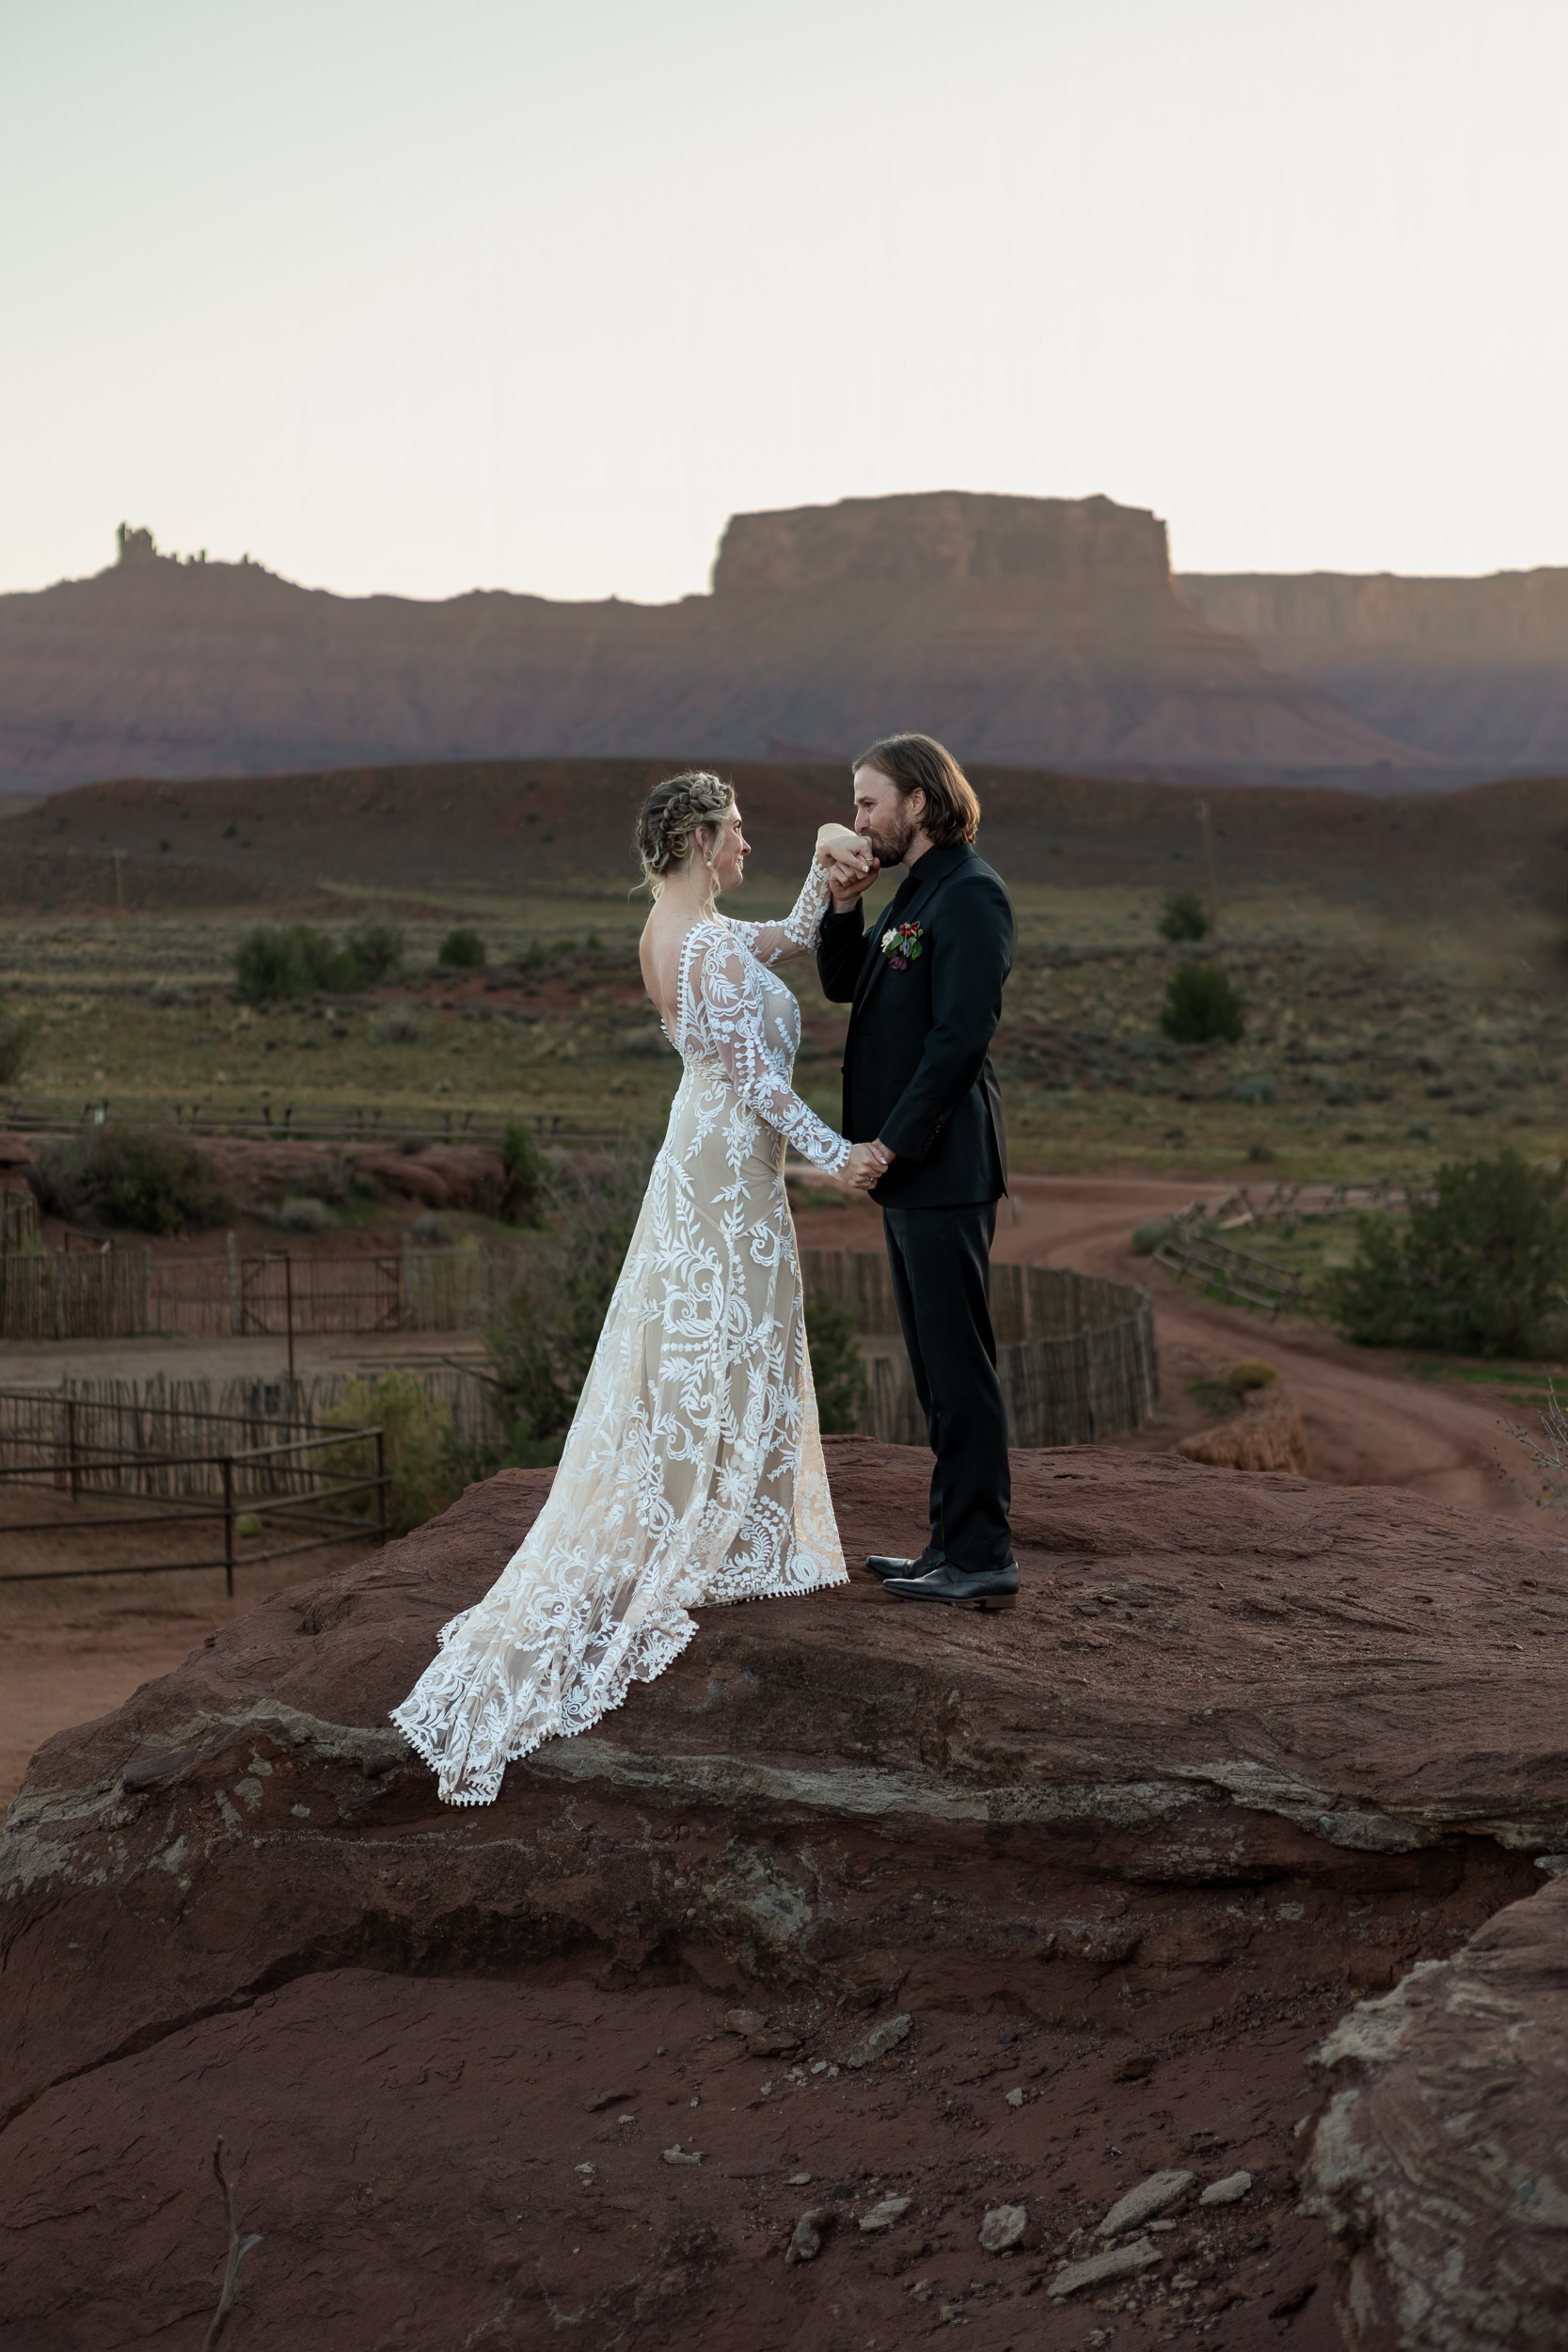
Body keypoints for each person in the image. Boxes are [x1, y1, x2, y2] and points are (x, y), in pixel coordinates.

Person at [392, 771, 887, 1805]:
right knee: (726, 1330)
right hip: (723, 1163)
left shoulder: (679, 928)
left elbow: (790, 934)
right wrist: (835, 1154)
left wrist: (823, 859)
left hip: (703, 1155)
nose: (745, 845)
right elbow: (753, 1077)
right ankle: (706, 1527)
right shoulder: (698, 942)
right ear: (702, 838)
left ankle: (714, 1510)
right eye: (740, 833)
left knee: (714, 1330)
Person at [816, 733, 1018, 1610]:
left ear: (919, 804)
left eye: (869, 803)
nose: (858, 818)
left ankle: (982, 1555)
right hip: (911, 1173)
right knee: (934, 1369)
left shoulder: (971, 895)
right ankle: (948, 1545)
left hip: (941, 1166)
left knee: (958, 1366)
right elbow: (842, 986)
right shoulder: (915, 893)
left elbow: (958, 1041)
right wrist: (841, 904)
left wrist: (889, 1144)